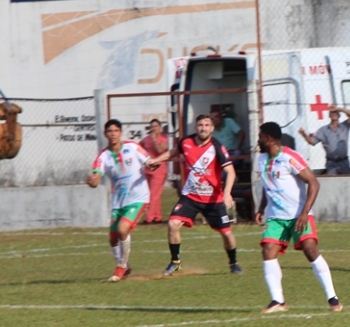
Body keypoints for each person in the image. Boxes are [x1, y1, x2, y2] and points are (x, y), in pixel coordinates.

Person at [255, 122, 342, 313]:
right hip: (276, 216)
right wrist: (262, 207)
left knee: (310, 249)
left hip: (298, 215)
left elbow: (313, 183)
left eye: (260, 136)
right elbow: (266, 184)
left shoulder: (289, 157)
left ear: (269, 139)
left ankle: (332, 297)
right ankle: (278, 300)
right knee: (268, 249)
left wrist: (304, 212)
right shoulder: (261, 159)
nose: (258, 140)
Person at [145, 114, 242, 276]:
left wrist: (227, 194)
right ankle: (175, 262)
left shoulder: (217, 147)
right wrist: (157, 160)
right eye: (200, 125)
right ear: (196, 127)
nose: (203, 128)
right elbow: (173, 152)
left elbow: (230, 172)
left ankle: (234, 263)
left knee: (226, 233)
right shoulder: (186, 142)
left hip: (213, 199)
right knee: (172, 224)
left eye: (206, 125)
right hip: (190, 196)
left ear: (211, 128)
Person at [87, 119, 152, 282]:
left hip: (138, 197)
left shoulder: (132, 147)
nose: (113, 134)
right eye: (110, 131)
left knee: (123, 229)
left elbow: (148, 160)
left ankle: (121, 266)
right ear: (105, 134)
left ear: (121, 133)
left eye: (116, 131)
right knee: (113, 237)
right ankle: (125, 265)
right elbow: (96, 175)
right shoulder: (103, 156)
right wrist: (93, 181)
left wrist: (152, 164)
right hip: (119, 201)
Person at [298, 104, 350, 175]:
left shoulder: (345, 126)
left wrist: (339, 109)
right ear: (329, 116)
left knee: (347, 183)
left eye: (336, 112)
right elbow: (312, 142)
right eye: (332, 113)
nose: (334, 114)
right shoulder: (323, 130)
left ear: (339, 115)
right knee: (331, 183)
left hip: (344, 162)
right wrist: (304, 135)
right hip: (331, 163)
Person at [139, 119, 168, 224]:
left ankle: (149, 218)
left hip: (160, 170)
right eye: (152, 126)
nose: (153, 128)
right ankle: (157, 216)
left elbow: (160, 151)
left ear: (159, 127)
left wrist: (154, 139)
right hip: (148, 170)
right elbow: (139, 148)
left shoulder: (163, 138)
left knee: (153, 194)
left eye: (155, 126)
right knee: (153, 195)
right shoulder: (146, 139)